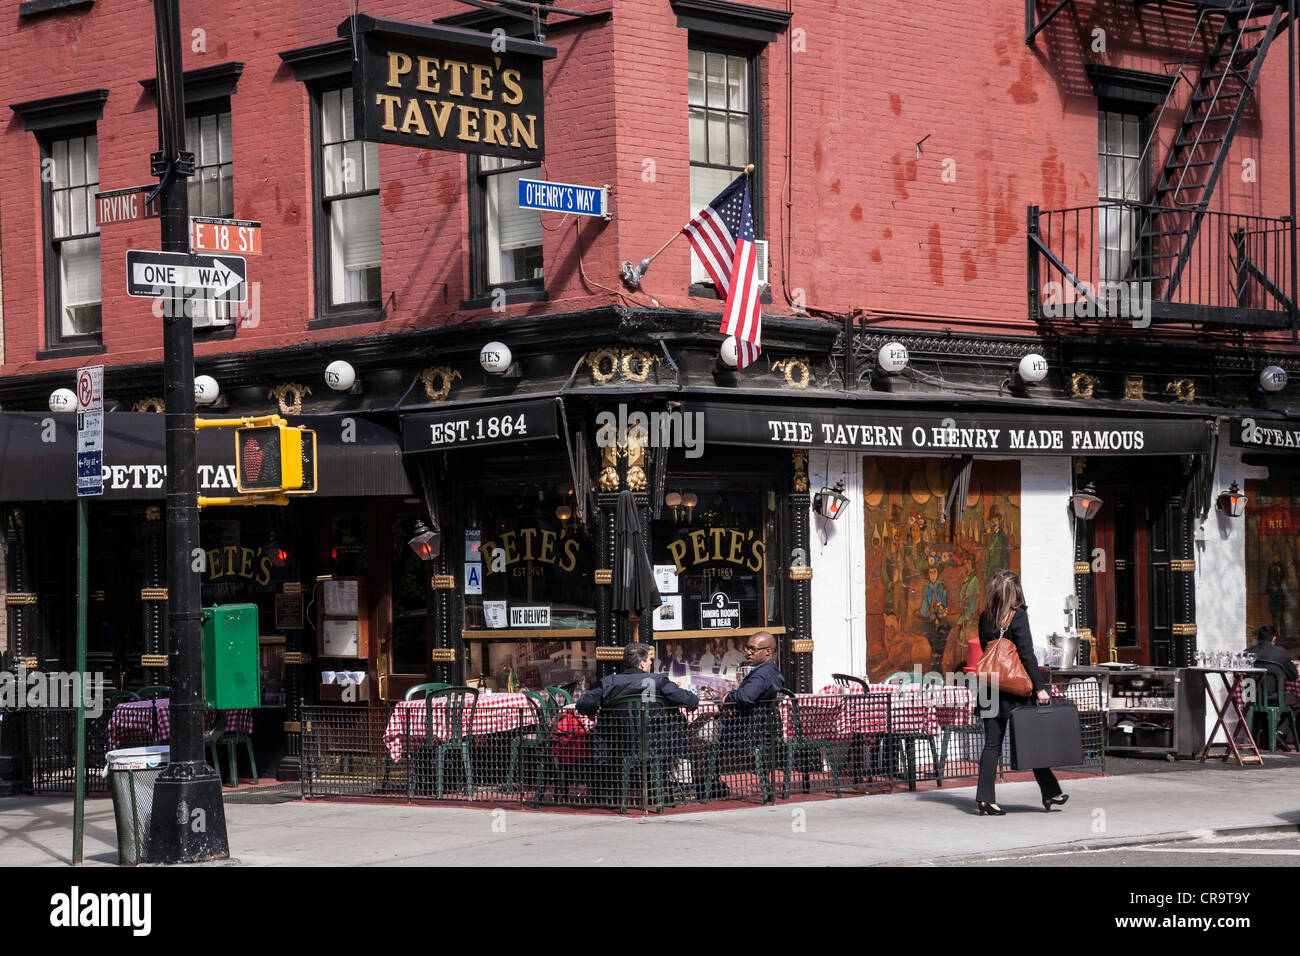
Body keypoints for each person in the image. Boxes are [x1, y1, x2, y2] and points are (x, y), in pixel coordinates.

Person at [974, 569, 1067, 816]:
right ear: (1015, 591)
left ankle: (985, 800)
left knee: (991, 744)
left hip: (990, 688)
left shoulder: (985, 617)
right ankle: (1050, 792)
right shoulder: (1018, 617)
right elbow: (1026, 655)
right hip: (1014, 689)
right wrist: (1040, 688)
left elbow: (988, 650)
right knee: (1031, 741)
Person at [577, 643, 698, 801]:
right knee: (678, 727)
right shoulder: (659, 680)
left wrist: (593, 712)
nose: (650, 663)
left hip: (619, 745)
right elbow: (690, 700)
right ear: (641, 663)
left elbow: (582, 704)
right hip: (659, 745)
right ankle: (681, 786)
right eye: (649, 660)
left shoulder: (610, 682)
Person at [1244, 625, 1299, 749]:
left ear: (1257, 638)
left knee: (1261, 701)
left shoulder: (1246, 653)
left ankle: (1265, 736)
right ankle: (1279, 732)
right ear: (1274, 638)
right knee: (1295, 701)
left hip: (1251, 697)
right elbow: (1294, 677)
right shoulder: (1281, 653)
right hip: (1273, 697)